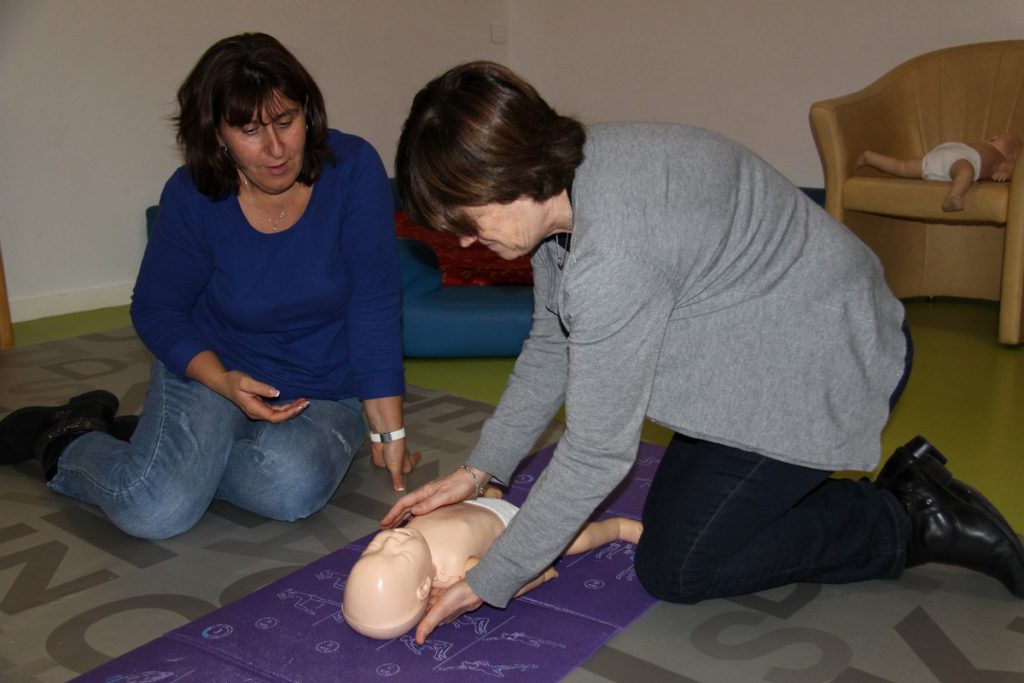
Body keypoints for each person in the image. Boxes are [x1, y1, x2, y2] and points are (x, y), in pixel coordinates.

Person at [382, 61, 1024, 642]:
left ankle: (909, 516)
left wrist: (495, 576)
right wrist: (481, 469)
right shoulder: (569, 184)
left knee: (679, 565)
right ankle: (882, 495)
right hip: (759, 350)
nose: (464, 244)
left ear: (506, 174)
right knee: (682, 532)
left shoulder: (614, 249)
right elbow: (554, 340)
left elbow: (598, 453)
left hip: (830, 357)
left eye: (466, 220)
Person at [0, 33, 419, 538]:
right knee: (154, 509)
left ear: (309, 113)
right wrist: (221, 380)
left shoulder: (353, 168)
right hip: (218, 371)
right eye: (248, 131)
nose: (275, 149)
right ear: (217, 134)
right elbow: (156, 307)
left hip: (325, 390)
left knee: (289, 487)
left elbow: (374, 300)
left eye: (287, 122)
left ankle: (170, 456)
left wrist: (389, 429)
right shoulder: (193, 195)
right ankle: (67, 435)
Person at [343, 492, 641, 640]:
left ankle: (492, 491)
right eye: (400, 555)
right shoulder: (457, 569)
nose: (393, 540)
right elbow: (503, 576)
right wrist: (540, 574)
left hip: (468, 499)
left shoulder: (408, 541)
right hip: (509, 523)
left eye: (376, 546)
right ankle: (617, 528)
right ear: (424, 586)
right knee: (569, 540)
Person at [857, 133, 1022, 212]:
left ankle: (953, 196)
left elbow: (1015, 171)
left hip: (960, 160)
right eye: (992, 137)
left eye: (1002, 139)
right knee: (902, 166)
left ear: (1013, 154)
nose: (995, 137)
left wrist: (1006, 174)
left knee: (965, 171)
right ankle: (871, 158)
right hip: (950, 154)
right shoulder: (983, 148)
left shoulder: (1004, 160)